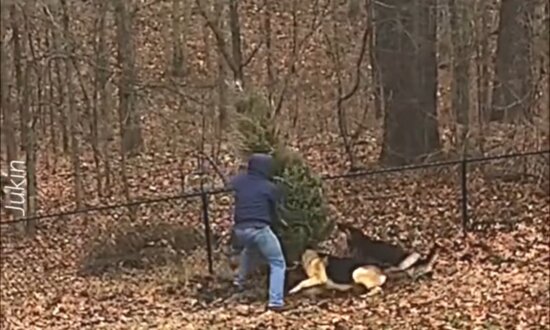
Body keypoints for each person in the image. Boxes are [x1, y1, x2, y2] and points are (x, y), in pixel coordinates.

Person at [229, 153, 287, 312]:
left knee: (250, 250)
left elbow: (229, 184)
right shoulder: (268, 187)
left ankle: (238, 283)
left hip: (240, 230)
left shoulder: (240, 181)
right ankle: (276, 302)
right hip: (259, 228)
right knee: (277, 262)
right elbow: (276, 209)